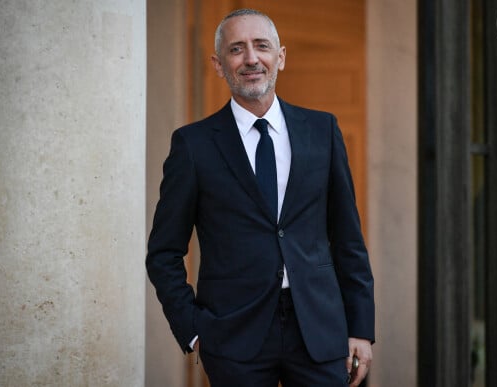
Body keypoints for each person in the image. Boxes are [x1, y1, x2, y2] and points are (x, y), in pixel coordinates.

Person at [146, 8, 375, 387]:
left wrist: (361, 328)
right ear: (218, 65)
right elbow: (164, 253)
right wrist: (194, 329)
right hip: (233, 339)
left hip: (319, 331)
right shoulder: (193, 145)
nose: (251, 58)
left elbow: (348, 239)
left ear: (280, 57)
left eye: (261, 46)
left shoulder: (323, 131)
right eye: (237, 49)